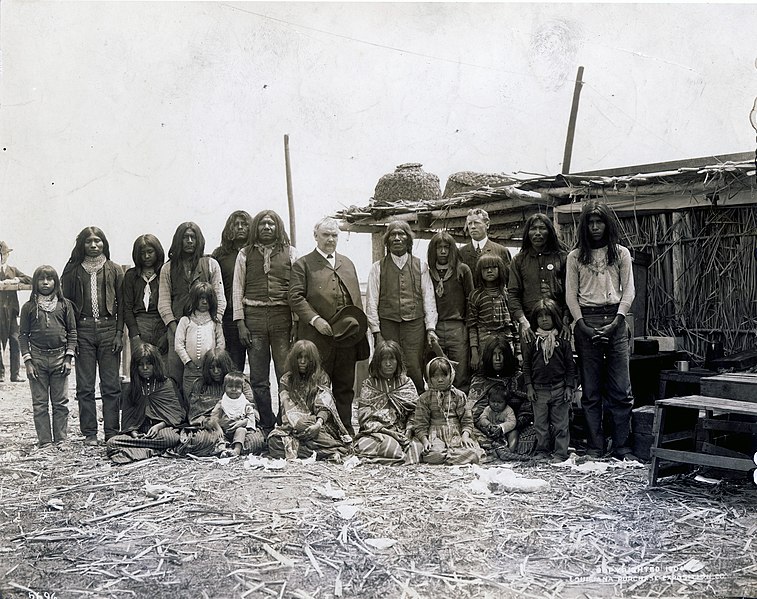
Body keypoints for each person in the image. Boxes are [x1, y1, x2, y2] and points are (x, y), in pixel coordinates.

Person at [566, 200, 636, 461]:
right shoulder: (575, 257)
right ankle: (596, 447)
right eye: (591, 223)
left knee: (621, 389)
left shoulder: (621, 254)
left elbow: (629, 289)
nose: (595, 227)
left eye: (600, 222)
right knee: (591, 391)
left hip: (616, 321)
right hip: (587, 322)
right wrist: (580, 324)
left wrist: (618, 319)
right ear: (585, 226)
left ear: (608, 224)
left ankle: (622, 447)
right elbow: (571, 295)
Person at [289, 217, 369, 433]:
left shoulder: (348, 263)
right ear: (316, 236)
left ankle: (344, 431)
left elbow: (356, 302)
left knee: (344, 387)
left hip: (346, 341)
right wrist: (316, 320)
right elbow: (295, 297)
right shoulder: (303, 264)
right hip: (317, 340)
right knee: (317, 387)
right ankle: (319, 431)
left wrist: (358, 333)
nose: (330, 239)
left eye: (334, 235)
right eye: (326, 235)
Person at [232, 210, 297, 434]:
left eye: (271, 224)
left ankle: (285, 421)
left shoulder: (290, 252)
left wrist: (295, 322)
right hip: (255, 319)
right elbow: (237, 289)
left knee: (285, 374)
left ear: (277, 227)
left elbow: (296, 290)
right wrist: (240, 322)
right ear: (256, 228)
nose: (267, 228)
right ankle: (265, 423)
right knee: (259, 377)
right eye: (262, 224)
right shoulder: (244, 254)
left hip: (282, 318)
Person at [61, 226, 124, 445]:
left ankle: (111, 431)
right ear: (82, 244)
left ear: (105, 243)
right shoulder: (73, 271)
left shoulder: (115, 269)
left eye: (98, 240)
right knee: (85, 386)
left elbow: (122, 306)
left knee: (111, 385)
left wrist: (118, 333)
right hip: (83, 330)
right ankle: (89, 433)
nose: (94, 245)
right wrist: (72, 336)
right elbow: (66, 305)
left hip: (109, 329)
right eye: (89, 241)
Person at [365, 220, 438, 393]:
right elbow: (371, 302)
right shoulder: (377, 268)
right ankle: (388, 406)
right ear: (387, 240)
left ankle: (417, 407)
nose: (397, 238)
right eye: (392, 235)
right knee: (387, 364)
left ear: (408, 239)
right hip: (387, 324)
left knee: (413, 365)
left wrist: (430, 328)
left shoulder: (421, 266)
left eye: (401, 234)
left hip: (414, 326)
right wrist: (376, 332)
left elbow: (429, 299)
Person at [158, 222, 225, 394]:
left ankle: (205, 410)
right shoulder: (168, 267)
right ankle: (180, 415)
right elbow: (164, 302)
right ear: (178, 241)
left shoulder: (211, 264)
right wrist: (174, 328)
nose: (189, 241)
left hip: (207, 327)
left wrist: (214, 323)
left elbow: (219, 297)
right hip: (177, 327)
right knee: (176, 372)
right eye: (185, 237)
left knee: (208, 368)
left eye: (192, 237)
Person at [19, 265, 77, 449]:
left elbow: (72, 332)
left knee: (60, 402)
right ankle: (44, 441)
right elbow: (23, 336)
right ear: (35, 282)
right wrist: (28, 361)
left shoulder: (64, 305)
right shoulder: (29, 307)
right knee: (40, 404)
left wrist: (68, 358)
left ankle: (61, 439)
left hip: (60, 358)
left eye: (49, 279)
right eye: (41, 279)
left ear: (56, 282)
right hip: (37, 359)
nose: (45, 282)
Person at [267, 340, 352, 461]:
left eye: (306, 358)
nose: (302, 361)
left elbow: (324, 406)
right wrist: (296, 426)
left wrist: (317, 424)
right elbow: (287, 409)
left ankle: (317, 449)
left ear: (313, 360)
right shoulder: (286, 380)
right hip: (294, 425)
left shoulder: (322, 377)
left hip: (318, 424)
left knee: (304, 425)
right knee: (273, 441)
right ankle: (329, 451)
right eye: (299, 357)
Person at [105, 344, 184, 463]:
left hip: (161, 431)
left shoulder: (166, 384)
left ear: (155, 365)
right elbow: (128, 418)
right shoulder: (132, 388)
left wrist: (160, 426)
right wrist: (133, 432)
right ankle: (153, 450)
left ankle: (142, 450)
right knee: (112, 443)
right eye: (140, 365)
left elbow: (178, 414)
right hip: (139, 432)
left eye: (149, 364)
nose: (145, 368)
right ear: (135, 367)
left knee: (172, 438)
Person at [522, 299, 576, 462]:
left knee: (561, 424)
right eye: (540, 316)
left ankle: (560, 452)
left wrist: (569, 387)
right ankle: (542, 450)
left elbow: (570, 366)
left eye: (548, 316)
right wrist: (529, 387)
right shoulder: (532, 340)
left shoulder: (563, 339)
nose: (544, 319)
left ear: (555, 317)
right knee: (540, 424)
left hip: (559, 388)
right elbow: (526, 365)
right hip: (539, 390)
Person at [468, 335, 536, 457]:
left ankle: (506, 450)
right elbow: (473, 412)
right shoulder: (479, 379)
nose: (497, 358)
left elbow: (528, 409)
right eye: (494, 354)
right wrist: (489, 428)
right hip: (486, 428)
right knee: (468, 433)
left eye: (501, 354)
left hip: (513, 428)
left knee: (538, 432)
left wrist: (509, 426)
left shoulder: (519, 377)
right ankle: (499, 449)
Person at [508, 213, 571, 344]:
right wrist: (523, 322)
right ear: (527, 233)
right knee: (530, 363)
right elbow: (513, 295)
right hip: (529, 326)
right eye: (533, 229)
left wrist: (565, 320)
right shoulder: (519, 261)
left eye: (542, 228)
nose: (537, 233)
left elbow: (569, 292)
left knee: (560, 362)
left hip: (558, 324)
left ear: (550, 231)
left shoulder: (563, 258)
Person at [354, 340, 420, 465]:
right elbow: (365, 419)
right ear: (377, 363)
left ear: (398, 361)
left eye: (392, 359)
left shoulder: (406, 382)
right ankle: (394, 454)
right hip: (378, 432)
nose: (388, 364)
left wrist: (409, 430)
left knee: (420, 449)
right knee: (389, 448)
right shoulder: (370, 384)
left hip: (404, 431)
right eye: (384, 360)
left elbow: (415, 412)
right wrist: (388, 432)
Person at [409, 356, 483, 465]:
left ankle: (449, 456)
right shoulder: (425, 398)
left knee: (473, 454)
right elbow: (420, 424)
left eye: (444, 375)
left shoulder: (459, 395)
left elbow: (467, 420)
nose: (440, 379)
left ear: (451, 375)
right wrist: (425, 441)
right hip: (435, 435)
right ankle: (448, 457)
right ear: (429, 378)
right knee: (433, 454)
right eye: (435, 376)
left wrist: (465, 436)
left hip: (456, 434)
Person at [426, 231, 474, 392]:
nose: (443, 251)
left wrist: (468, 327)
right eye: (439, 247)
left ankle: (460, 409)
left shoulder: (462, 270)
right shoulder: (427, 272)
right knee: (436, 370)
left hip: (457, 327)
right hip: (435, 328)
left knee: (460, 372)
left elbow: (470, 300)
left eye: (447, 247)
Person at [213, 211, 252, 371]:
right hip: (229, 316)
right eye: (236, 224)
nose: (240, 227)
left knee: (258, 367)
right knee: (233, 366)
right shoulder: (220, 254)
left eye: (244, 224)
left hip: (253, 313)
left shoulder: (256, 252)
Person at [175, 282, 225, 404]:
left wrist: (213, 362)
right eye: (201, 298)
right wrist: (188, 361)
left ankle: (204, 416)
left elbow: (221, 344)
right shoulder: (185, 320)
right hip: (190, 369)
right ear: (194, 299)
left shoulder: (215, 322)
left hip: (209, 369)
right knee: (190, 395)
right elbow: (178, 345)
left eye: (207, 299)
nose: (204, 302)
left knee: (207, 396)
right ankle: (191, 417)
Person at [467, 254, 517, 372]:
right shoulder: (475, 295)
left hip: (506, 338)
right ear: (480, 272)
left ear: (500, 269)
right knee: (484, 370)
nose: (489, 271)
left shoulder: (506, 294)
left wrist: (518, 351)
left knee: (507, 369)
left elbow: (514, 325)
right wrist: (474, 353)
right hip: (484, 339)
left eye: (494, 267)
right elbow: (472, 326)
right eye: (485, 268)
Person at [123, 234, 167, 353]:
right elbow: (127, 307)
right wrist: (135, 334)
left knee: (162, 368)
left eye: (150, 252)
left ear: (157, 251)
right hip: (140, 326)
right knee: (142, 367)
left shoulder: (165, 273)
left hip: (162, 325)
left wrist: (167, 336)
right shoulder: (131, 276)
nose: (146, 256)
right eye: (142, 253)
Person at [206, 371, 265, 456]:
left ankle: (236, 450)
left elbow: (251, 417)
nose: (233, 389)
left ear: (242, 389)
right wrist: (218, 429)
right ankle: (223, 450)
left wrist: (245, 423)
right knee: (216, 436)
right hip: (224, 430)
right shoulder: (222, 403)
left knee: (241, 431)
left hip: (239, 429)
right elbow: (213, 418)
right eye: (230, 386)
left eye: (237, 387)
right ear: (224, 387)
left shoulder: (245, 403)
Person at [0, 240, 32, 382]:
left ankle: (15, 374)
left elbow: (29, 279)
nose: (2, 256)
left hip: (11, 312)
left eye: (4, 253)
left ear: (7, 255)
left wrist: (15, 280)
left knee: (15, 340)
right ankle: (0, 374)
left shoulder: (13, 270)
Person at [458, 208, 512, 284]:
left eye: (476, 223)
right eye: (470, 223)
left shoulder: (501, 251)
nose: (473, 227)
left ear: (487, 224)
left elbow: (509, 281)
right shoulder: (460, 252)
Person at [476, 384, 517, 460]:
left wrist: (501, 427)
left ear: (506, 402)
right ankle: (491, 450)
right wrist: (489, 424)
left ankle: (510, 451)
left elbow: (512, 422)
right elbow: (482, 418)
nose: (495, 404)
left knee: (514, 432)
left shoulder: (508, 410)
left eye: (500, 402)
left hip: (504, 433)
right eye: (493, 401)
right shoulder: (488, 409)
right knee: (478, 430)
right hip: (491, 432)